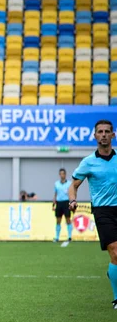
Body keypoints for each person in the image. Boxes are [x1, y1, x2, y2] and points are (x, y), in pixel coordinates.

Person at [69, 119, 117, 310]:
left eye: (107, 131)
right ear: (95, 135)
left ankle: (112, 272)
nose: (104, 134)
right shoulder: (88, 162)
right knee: (115, 251)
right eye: (100, 131)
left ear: (113, 135)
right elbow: (73, 186)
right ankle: (116, 298)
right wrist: (73, 200)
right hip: (103, 211)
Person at [52, 168, 72, 245]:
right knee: (58, 220)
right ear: (59, 175)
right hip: (59, 203)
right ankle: (57, 237)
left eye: (63, 174)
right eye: (61, 174)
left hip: (66, 202)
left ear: (65, 174)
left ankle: (69, 236)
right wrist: (54, 202)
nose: (62, 175)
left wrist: (71, 202)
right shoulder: (56, 183)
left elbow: (71, 193)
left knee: (68, 220)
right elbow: (55, 193)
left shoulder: (69, 183)